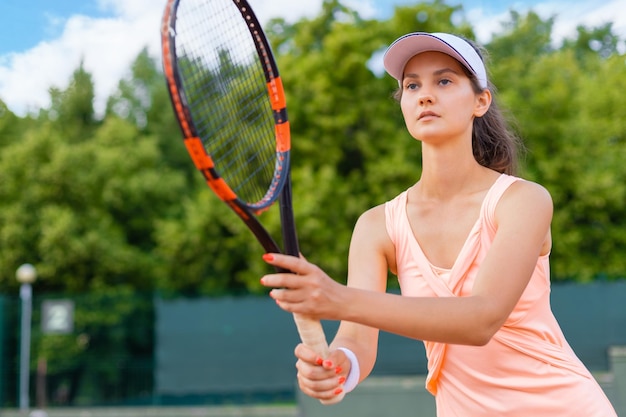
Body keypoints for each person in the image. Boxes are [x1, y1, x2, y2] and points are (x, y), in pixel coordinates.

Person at [260, 32, 618, 416]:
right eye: (412, 85)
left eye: (443, 81)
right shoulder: (376, 226)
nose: (424, 95)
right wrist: (340, 367)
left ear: (481, 101)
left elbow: (481, 319)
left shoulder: (522, 201)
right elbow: (357, 339)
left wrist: (337, 298)